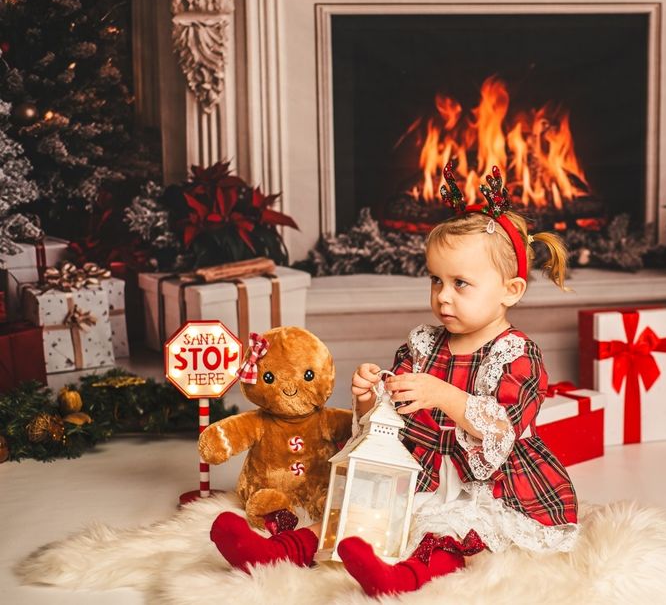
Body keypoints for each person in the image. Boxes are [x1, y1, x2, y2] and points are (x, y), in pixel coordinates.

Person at [209, 165, 579, 596]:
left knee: (449, 532)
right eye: (436, 280)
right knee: (356, 507)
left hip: (484, 481)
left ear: (510, 290)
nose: (443, 296)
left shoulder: (516, 354)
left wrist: (441, 393)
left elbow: (503, 427)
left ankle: (402, 576)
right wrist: (370, 398)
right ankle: (279, 550)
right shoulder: (424, 343)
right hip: (420, 466)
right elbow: (393, 414)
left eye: (461, 284)